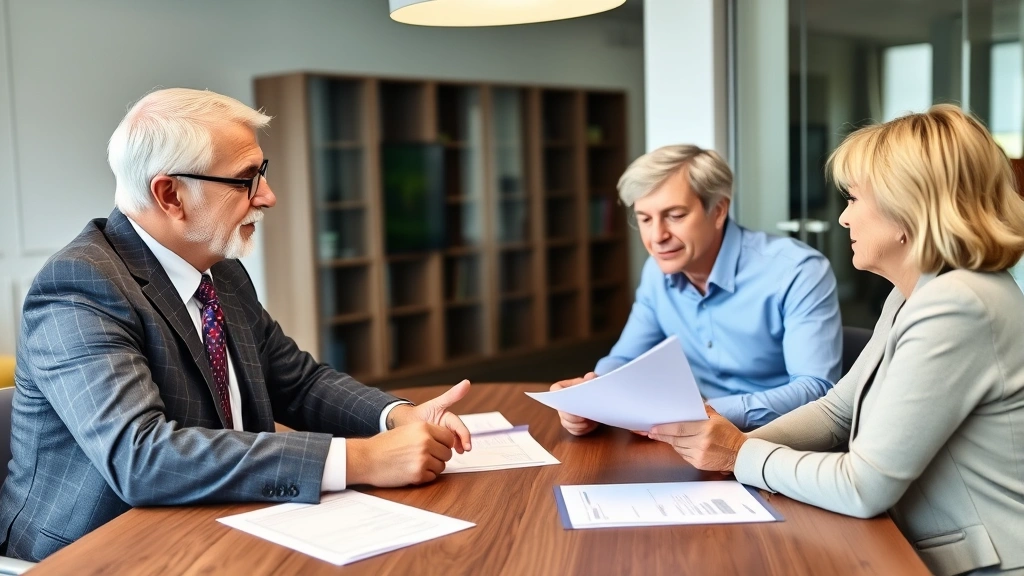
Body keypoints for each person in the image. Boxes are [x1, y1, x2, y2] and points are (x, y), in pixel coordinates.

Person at [0, 88, 474, 562]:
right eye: (245, 179)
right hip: (97, 552)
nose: (267, 196)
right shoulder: (79, 286)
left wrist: (394, 416)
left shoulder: (220, 270)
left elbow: (298, 382)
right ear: (170, 194)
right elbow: (141, 458)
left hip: (219, 526)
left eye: (261, 174)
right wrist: (361, 459)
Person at [648, 105, 1024, 575]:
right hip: (912, 544)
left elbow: (863, 486)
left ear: (908, 207)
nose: (844, 219)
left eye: (853, 199)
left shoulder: (958, 305)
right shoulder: (917, 293)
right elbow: (836, 411)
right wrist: (728, 447)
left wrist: (740, 454)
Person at [553, 145, 842, 433]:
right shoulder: (657, 271)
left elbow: (816, 389)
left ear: (717, 211)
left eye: (675, 215)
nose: (657, 237)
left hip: (777, 441)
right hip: (692, 441)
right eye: (644, 219)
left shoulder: (798, 271)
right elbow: (626, 358)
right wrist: (591, 395)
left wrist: (707, 413)